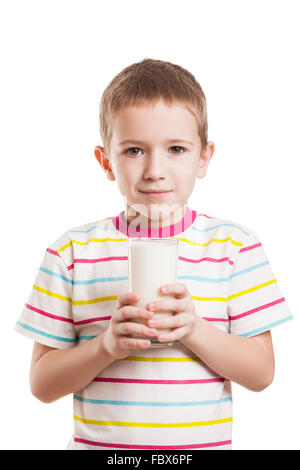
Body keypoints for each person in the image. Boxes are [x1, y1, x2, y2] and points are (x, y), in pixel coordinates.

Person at [15, 58, 293, 450]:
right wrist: (106, 346)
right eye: (133, 151)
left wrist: (194, 329)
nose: (155, 170)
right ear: (106, 161)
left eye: (176, 148)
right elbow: (42, 385)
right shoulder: (72, 253)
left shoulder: (234, 247)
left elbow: (261, 374)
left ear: (204, 157)